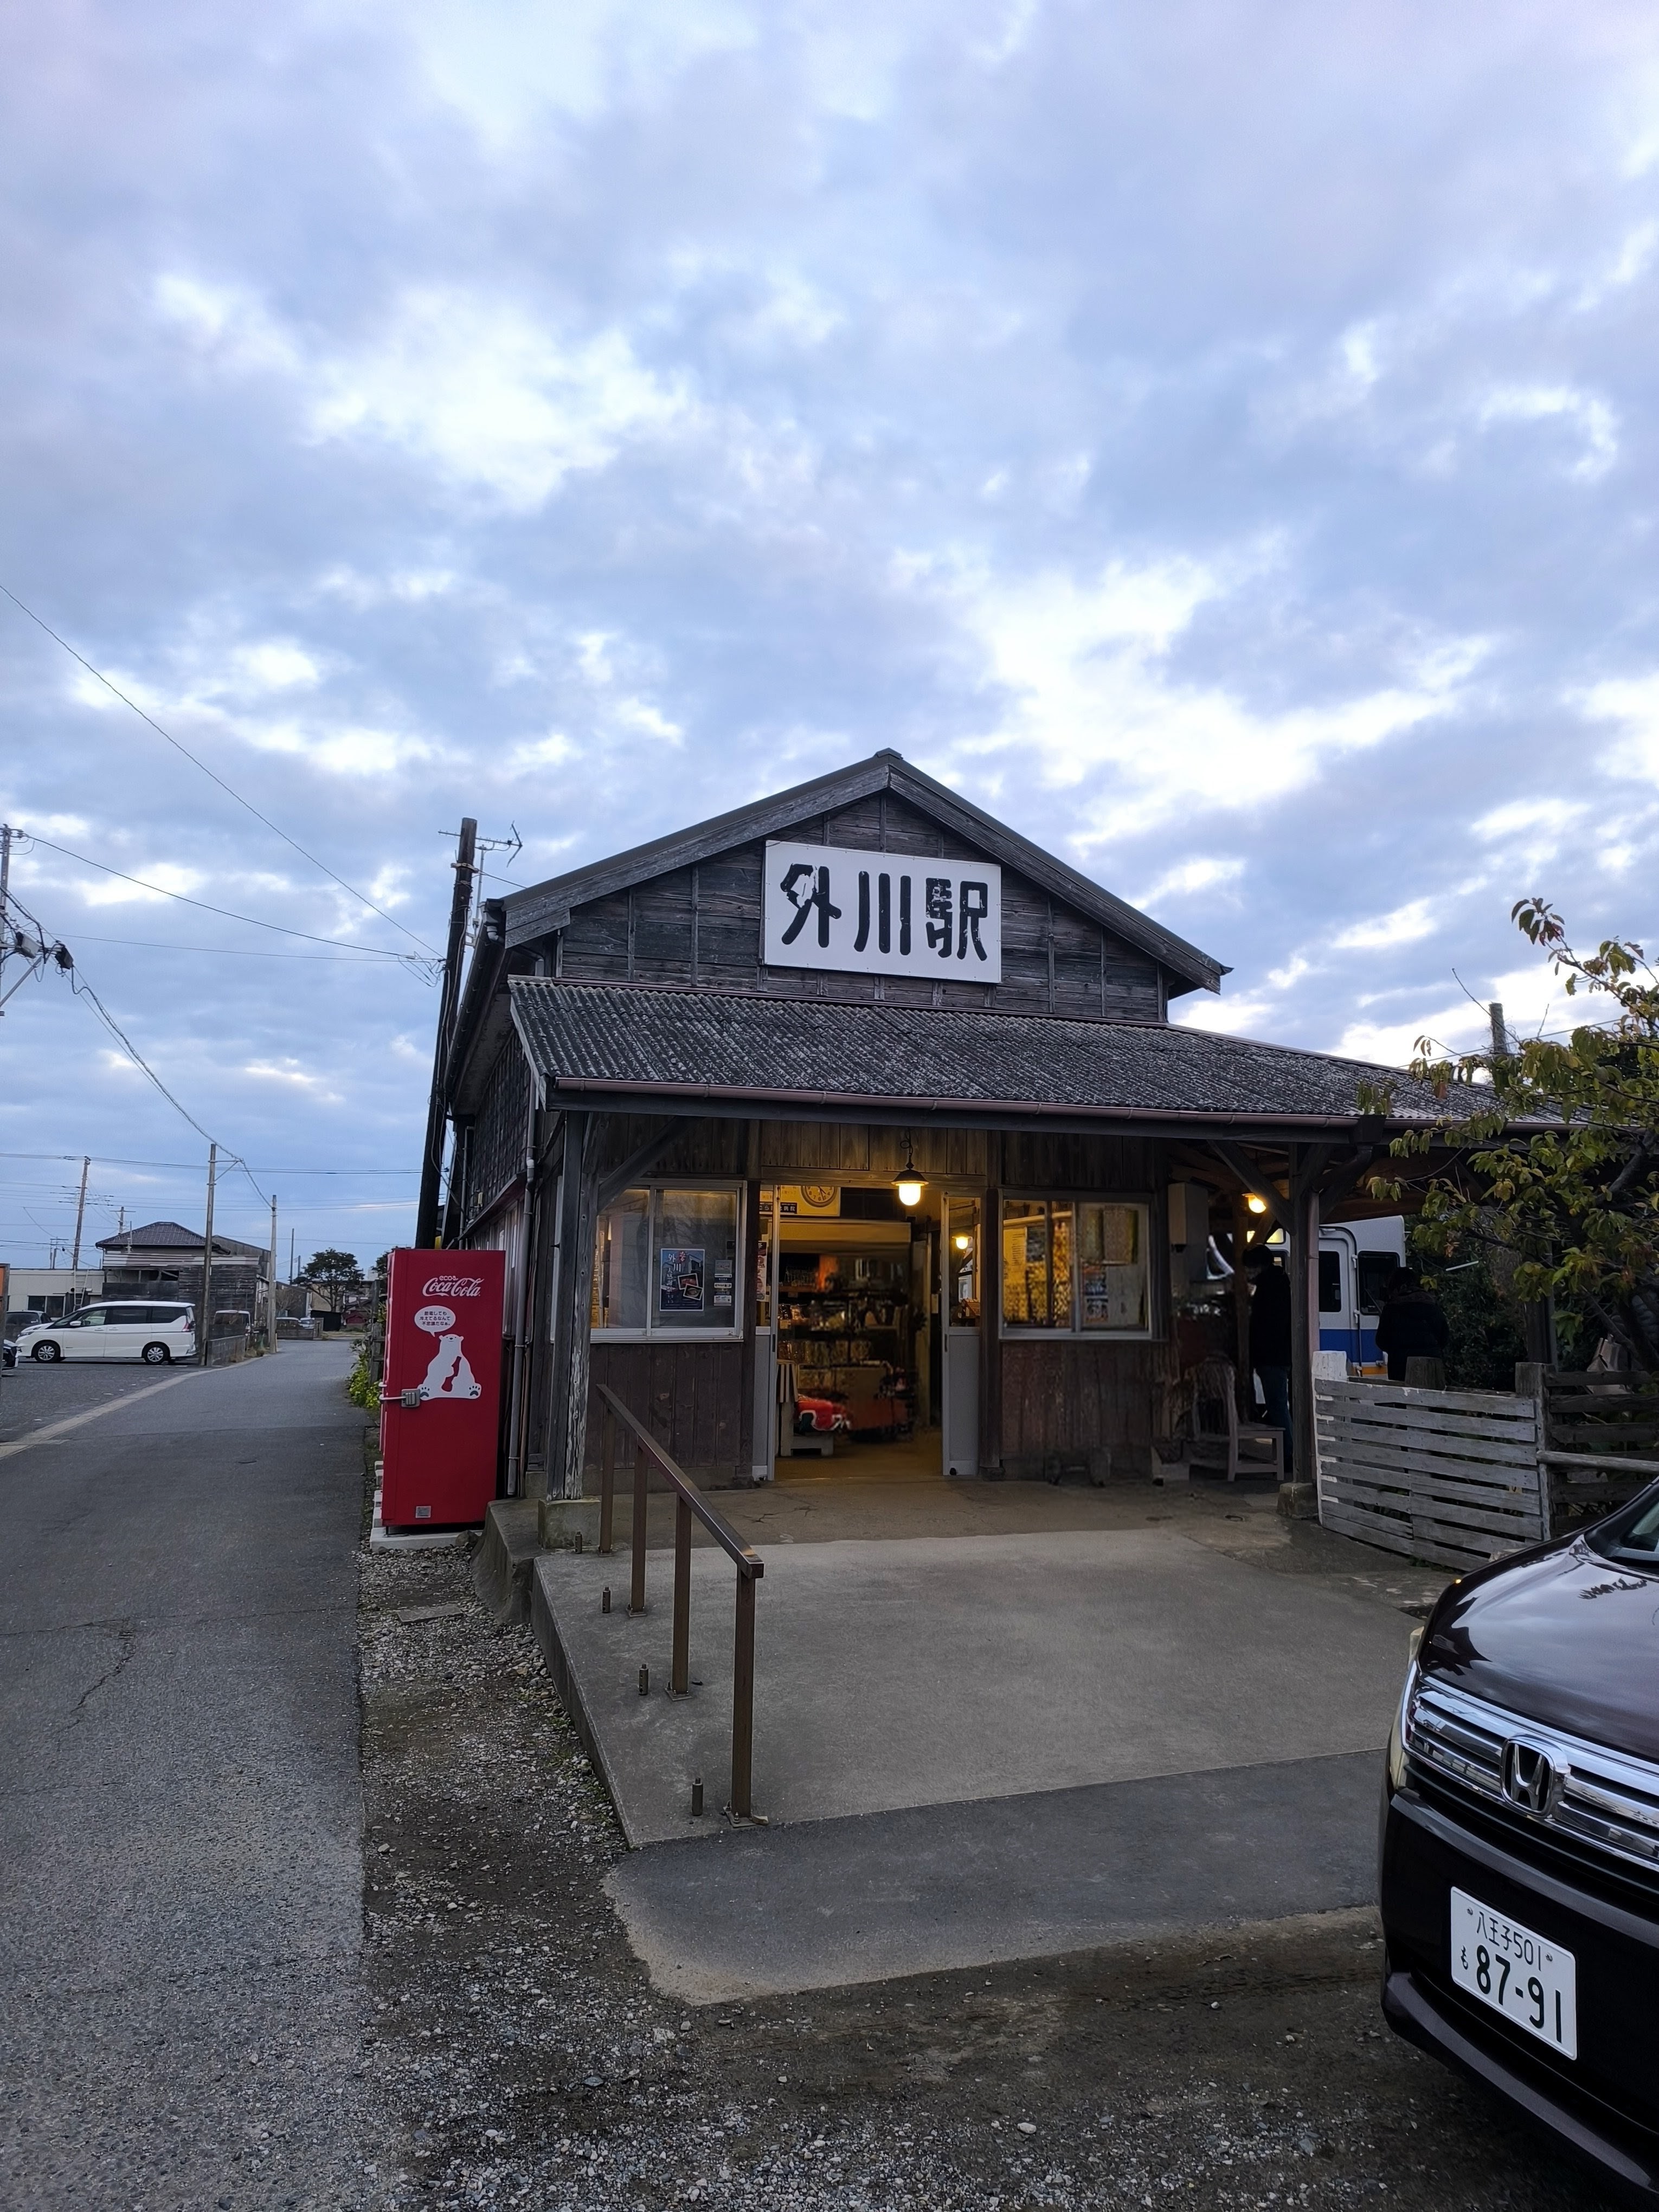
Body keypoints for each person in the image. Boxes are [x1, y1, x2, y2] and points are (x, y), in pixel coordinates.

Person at [1244, 1247, 1293, 1474]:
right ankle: (1289, 1453)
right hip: (1284, 1353)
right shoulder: (1282, 1282)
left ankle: (1288, 1455)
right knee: (1282, 1405)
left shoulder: (1264, 1289)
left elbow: (1259, 1326)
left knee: (1277, 1406)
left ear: (1258, 1266)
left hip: (1270, 1355)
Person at [1375, 1267, 1451, 1385]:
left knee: (1404, 1400)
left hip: (1400, 1367)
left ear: (1398, 1288)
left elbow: (1381, 1341)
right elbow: (1444, 1338)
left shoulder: (1391, 1309)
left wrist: (1397, 1350)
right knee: (1430, 1401)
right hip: (1431, 1366)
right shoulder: (1433, 1306)